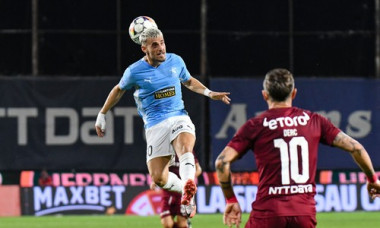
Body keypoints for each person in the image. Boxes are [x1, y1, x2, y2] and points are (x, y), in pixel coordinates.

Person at [215, 68, 380, 228]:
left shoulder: (255, 125)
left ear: (264, 95)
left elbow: (222, 162)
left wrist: (231, 200)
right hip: (304, 213)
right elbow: (356, 148)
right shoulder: (314, 120)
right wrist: (372, 180)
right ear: (294, 93)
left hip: (268, 212)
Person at [95, 27, 230, 218]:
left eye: (162, 43)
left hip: (178, 116)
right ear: (144, 49)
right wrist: (102, 114)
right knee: (159, 178)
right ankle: (185, 188)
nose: (161, 48)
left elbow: (189, 81)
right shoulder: (134, 71)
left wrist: (209, 93)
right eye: (155, 45)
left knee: (185, 149)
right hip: (155, 125)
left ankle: (189, 186)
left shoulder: (176, 60)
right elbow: (118, 90)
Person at [150, 151, 202, 228]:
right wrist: (156, 180)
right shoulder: (166, 149)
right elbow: (160, 167)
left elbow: (198, 169)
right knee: (167, 224)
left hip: (181, 193)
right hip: (168, 191)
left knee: (182, 225)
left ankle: (186, 224)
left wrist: (188, 179)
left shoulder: (187, 149)